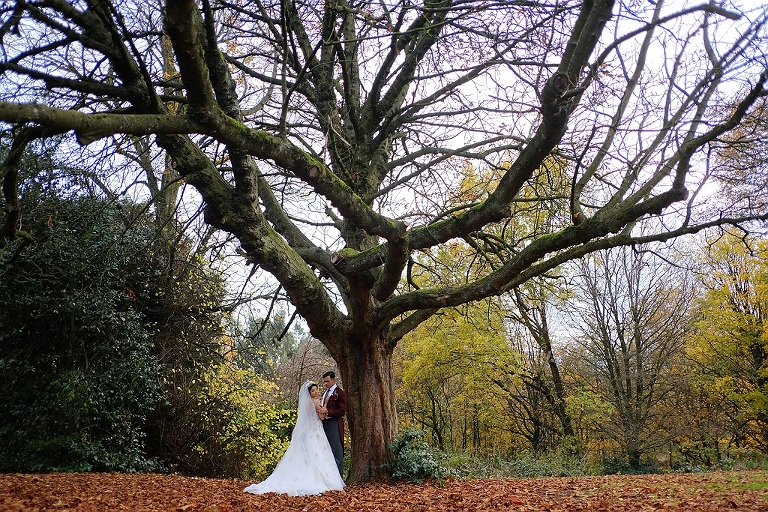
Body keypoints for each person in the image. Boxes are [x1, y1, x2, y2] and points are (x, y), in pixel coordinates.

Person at [243, 381, 344, 496]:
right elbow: (321, 417)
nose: (316, 392)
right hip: (316, 430)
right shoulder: (316, 402)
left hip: (307, 431)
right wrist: (325, 403)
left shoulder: (306, 403)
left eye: (316, 389)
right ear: (309, 393)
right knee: (318, 453)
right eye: (313, 391)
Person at [317, 370, 348, 478]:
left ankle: (338, 477)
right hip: (323, 423)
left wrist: (328, 411)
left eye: (327, 381)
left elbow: (342, 410)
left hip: (334, 423)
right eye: (324, 382)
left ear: (333, 380)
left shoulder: (340, 393)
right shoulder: (324, 393)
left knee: (336, 451)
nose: (326, 384)